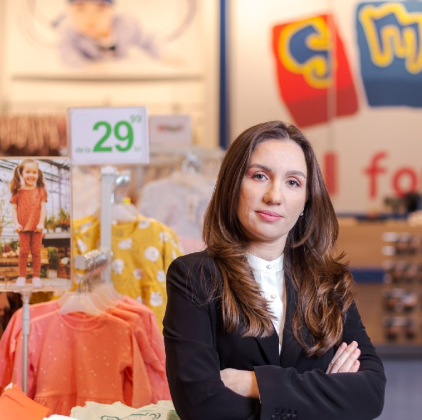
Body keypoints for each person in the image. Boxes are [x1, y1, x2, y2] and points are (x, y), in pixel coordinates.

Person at [164, 121, 386, 419]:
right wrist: (326, 395)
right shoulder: (194, 276)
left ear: (306, 200)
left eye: (293, 182)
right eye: (259, 176)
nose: (274, 196)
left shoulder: (328, 283)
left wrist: (255, 384)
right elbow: (199, 405)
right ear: (232, 186)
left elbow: (370, 393)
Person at [58, 0, 160, 67]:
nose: (90, 18)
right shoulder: (68, 31)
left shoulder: (125, 25)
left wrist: (162, 55)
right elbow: (67, 55)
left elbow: (147, 40)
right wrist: (86, 68)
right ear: (69, 11)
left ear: (112, 11)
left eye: (100, 10)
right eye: (80, 9)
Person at [9, 159, 48, 288]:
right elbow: (14, 209)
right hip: (23, 227)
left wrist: (41, 223)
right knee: (23, 252)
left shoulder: (41, 191)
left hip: (37, 228)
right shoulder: (18, 192)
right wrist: (16, 224)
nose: (31, 175)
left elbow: (43, 208)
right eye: (28, 172)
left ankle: (36, 277)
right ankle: (22, 277)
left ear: (38, 174)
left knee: (36, 252)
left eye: (34, 172)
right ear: (21, 173)